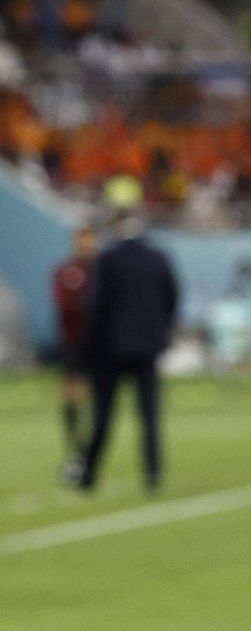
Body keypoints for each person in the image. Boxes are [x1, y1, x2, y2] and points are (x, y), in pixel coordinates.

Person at [69, 211, 178, 492]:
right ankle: (152, 474)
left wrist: (87, 351)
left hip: (110, 350)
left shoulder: (107, 260)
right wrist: (161, 333)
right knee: (149, 415)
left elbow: (96, 308)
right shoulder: (157, 258)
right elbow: (172, 298)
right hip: (147, 348)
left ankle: (90, 472)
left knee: (103, 415)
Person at [50, 225, 97, 462]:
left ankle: (91, 444)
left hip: (98, 342)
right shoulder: (65, 270)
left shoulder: (102, 269)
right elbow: (63, 304)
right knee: (72, 391)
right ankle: (75, 443)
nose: (85, 245)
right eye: (82, 240)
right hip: (73, 340)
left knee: (95, 393)